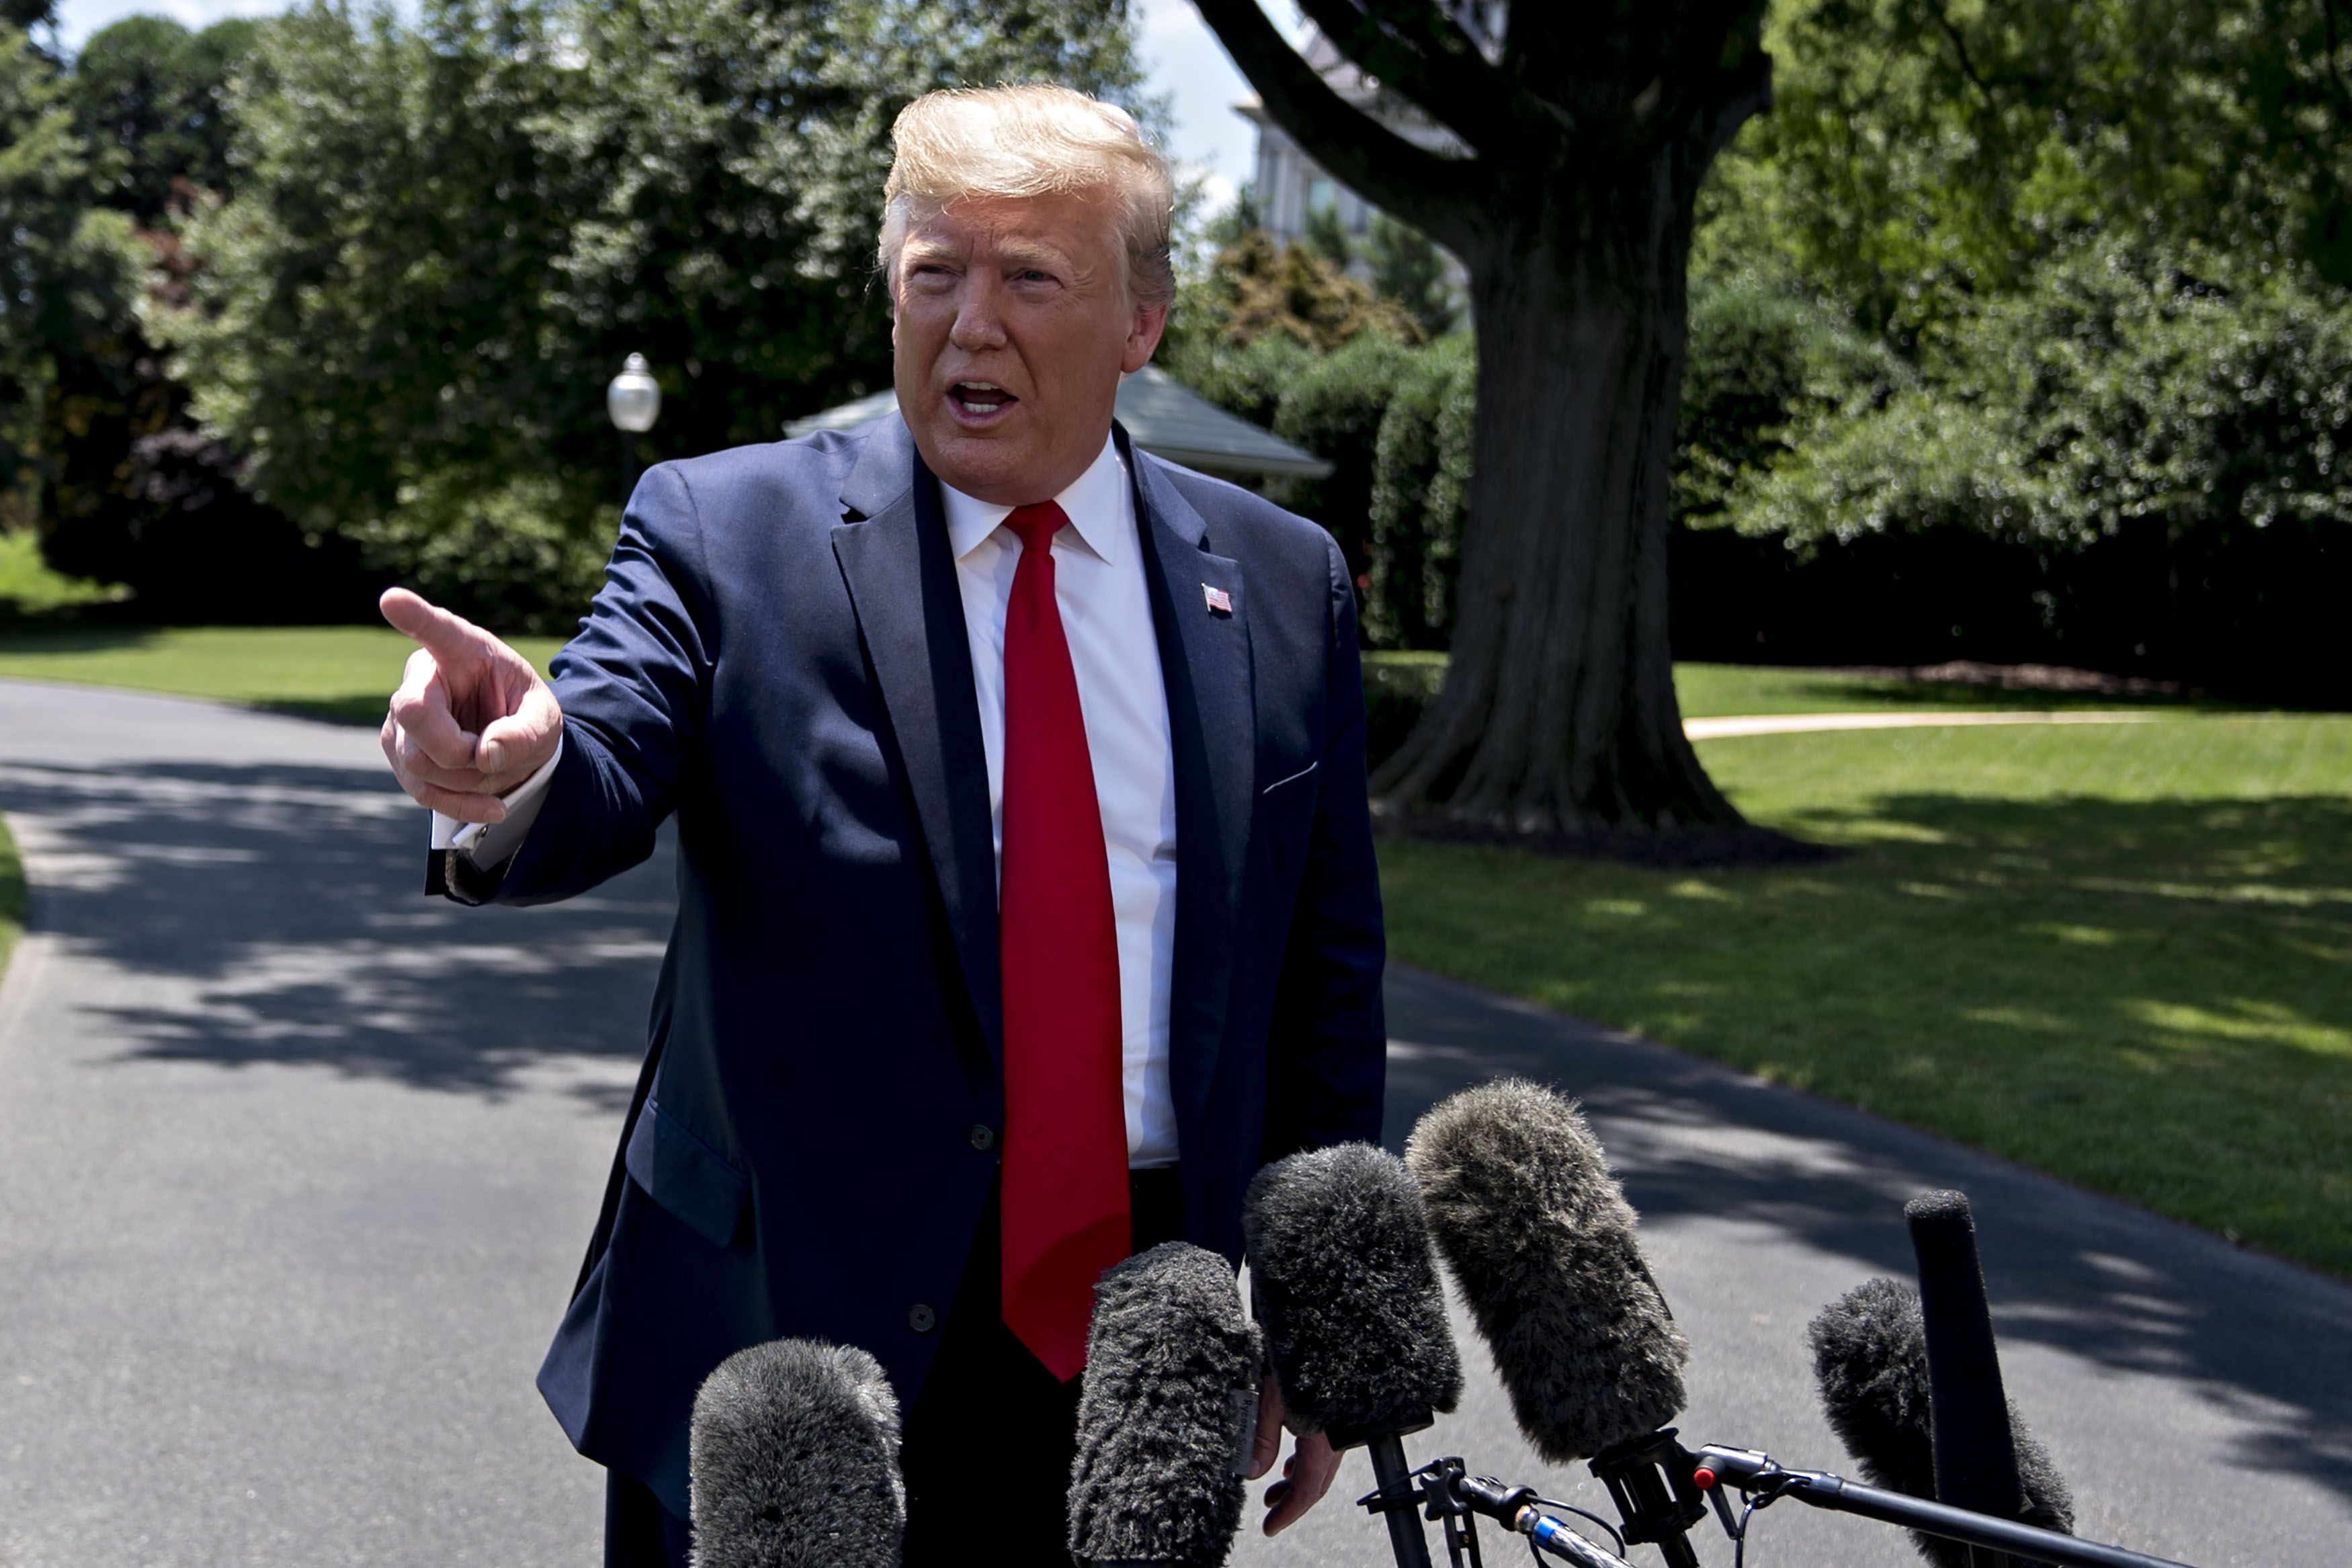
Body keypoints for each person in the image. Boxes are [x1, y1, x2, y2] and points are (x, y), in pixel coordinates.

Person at [377, 84, 1385, 1567]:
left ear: (1139, 324)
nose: (969, 324)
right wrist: (511, 769)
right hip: (786, 1338)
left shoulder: (1283, 580)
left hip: (1134, 1346)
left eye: (1030, 278)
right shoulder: (727, 531)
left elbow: (1324, 975)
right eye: (933, 275)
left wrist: (1317, 1317)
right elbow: (599, 753)